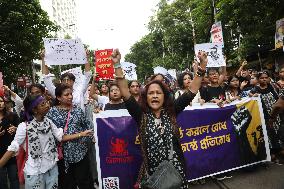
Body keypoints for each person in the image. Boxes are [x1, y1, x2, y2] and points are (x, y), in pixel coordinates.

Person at [112, 49, 208, 189]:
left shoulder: (172, 111)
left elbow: (192, 91)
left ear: (164, 96)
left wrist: (202, 67)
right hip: (154, 176)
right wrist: (117, 65)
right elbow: (125, 92)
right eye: (151, 93)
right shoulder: (141, 115)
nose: (155, 96)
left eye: (158, 93)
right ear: (146, 97)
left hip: (176, 173)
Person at [0, 95, 92, 189]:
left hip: (52, 170)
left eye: (47, 102)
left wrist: (82, 134)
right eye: (43, 104)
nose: (48, 105)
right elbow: (13, 147)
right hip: (35, 173)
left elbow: (61, 137)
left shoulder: (48, 122)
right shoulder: (24, 127)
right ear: (35, 110)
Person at [46, 84, 94, 189]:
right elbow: (51, 135)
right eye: (66, 95)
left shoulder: (78, 110)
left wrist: (87, 139)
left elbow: (87, 127)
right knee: (67, 184)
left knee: (84, 182)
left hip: (80, 152)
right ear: (58, 98)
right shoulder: (51, 112)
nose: (70, 97)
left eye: (71, 94)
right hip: (62, 155)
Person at [249, 71, 283, 162]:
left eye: (266, 77)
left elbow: (278, 98)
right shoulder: (255, 89)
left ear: (269, 78)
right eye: (261, 78)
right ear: (258, 79)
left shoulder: (272, 86)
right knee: (269, 133)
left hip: (275, 114)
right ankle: (271, 153)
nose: (264, 79)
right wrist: (253, 96)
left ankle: (279, 149)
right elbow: (250, 96)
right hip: (264, 115)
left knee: (277, 131)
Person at [0, 94, 19, 189]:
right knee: (2, 181)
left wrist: (15, 129)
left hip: (11, 152)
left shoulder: (12, 116)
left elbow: (21, 130)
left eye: (1, 101)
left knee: (14, 179)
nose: (0, 104)